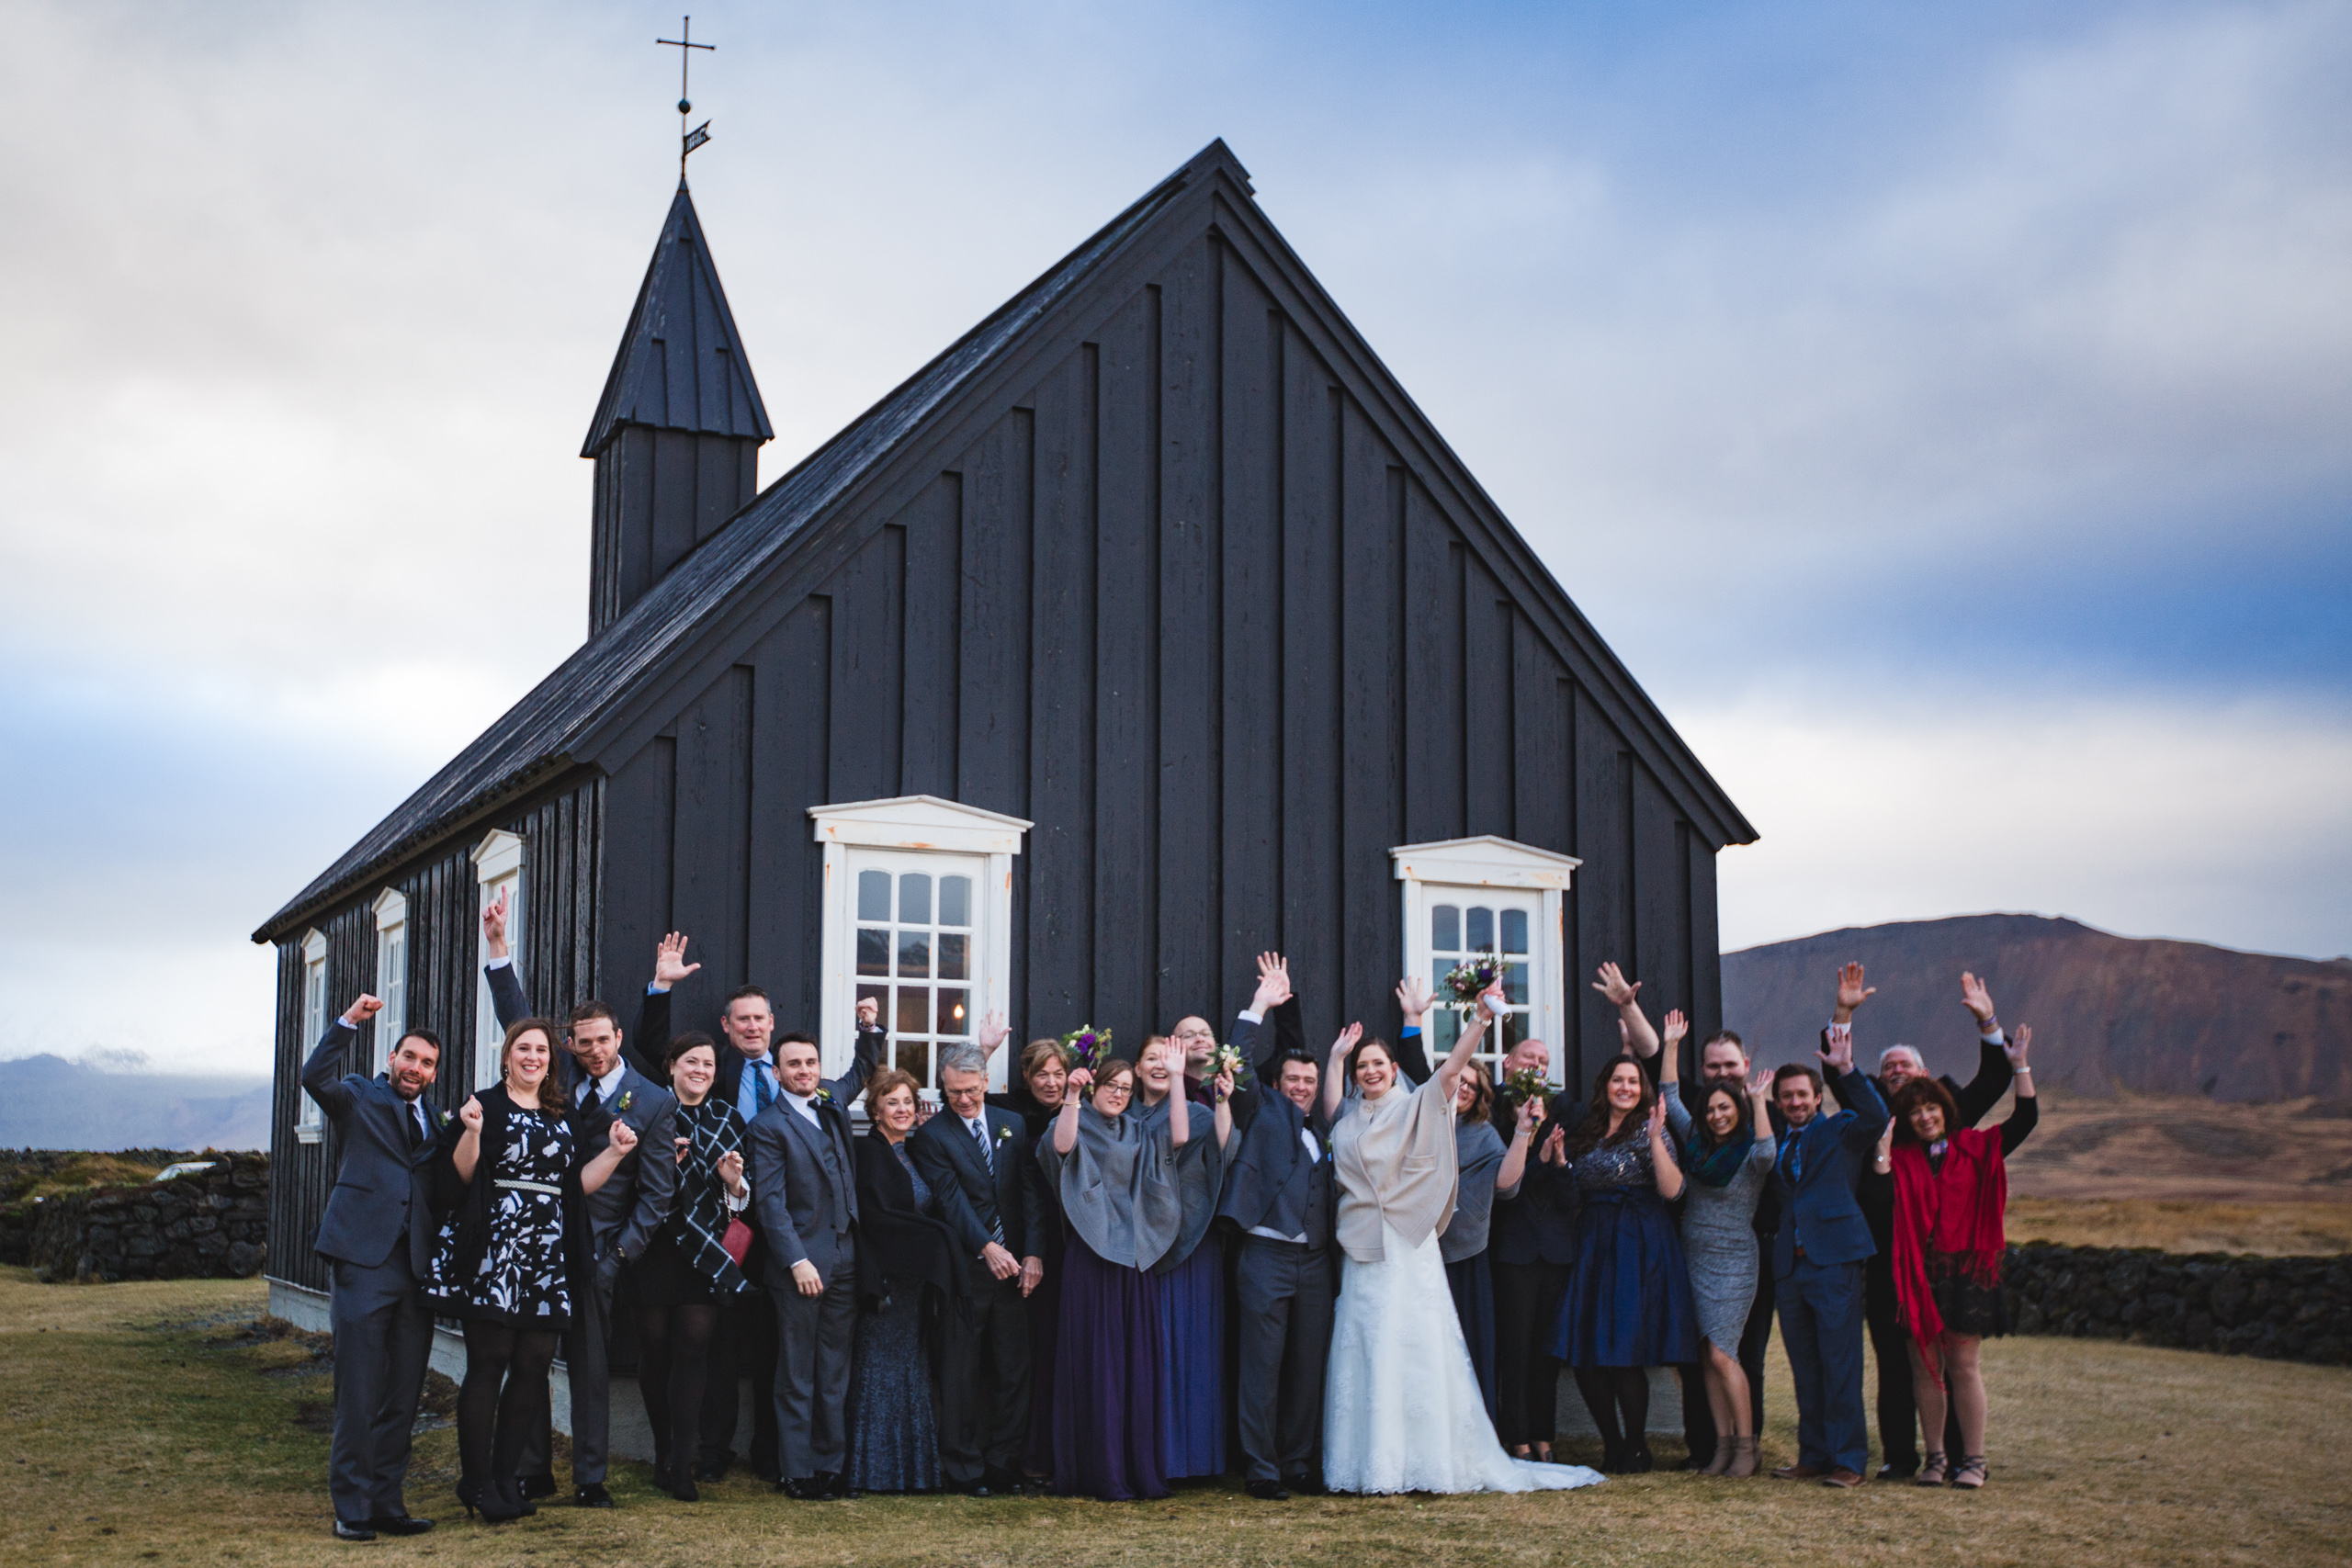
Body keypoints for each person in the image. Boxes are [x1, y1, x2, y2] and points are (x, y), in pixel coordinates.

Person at [1319, 986, 1600, 1495]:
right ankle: (1369, 1461)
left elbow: (1450, 1072)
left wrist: (1479, 1021)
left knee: (1412, 1343)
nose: (1371, 1071)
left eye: (1378, 1062)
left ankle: (1423, 1459)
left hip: (1406, 1245)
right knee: (1365, 1344)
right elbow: (1333, 1113)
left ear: (1392, 1068)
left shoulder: (1412, 1106)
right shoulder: (1346, 1120)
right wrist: (1336, 1057)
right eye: (1363, 1065)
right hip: (1361, 1249)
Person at [424, 1017, 638, 1523]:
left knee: (533, 1368)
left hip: (547, 1253)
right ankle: (474, 1483)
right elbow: (459, 1177)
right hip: (494, 1249)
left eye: (541, 1050)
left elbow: (573, 1187)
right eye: (524, 1048)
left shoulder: (560, 1115)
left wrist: (613, 1152)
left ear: (550, 1061)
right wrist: (472, 1132)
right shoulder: (484, 1104)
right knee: (488, 1364)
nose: (533, 1057)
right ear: (507, 1055)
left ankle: (505, 1480)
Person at [1856, 971, 2017, 1479]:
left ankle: (1960, 1459)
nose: (1896, 1071)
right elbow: (1841, 1078)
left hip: (1950, 1264)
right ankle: (1904, 1459)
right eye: (1888, 1068)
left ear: (1925, 1073)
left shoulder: (1950, 1111)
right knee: (1896, 1365)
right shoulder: (1871, 1122)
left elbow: (1996, 1078)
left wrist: (1987, 1020)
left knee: (1953, 1363)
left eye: (1904, 1064)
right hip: (1890, 1265)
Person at [300, 993, 445, 1541]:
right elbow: (315, 1077)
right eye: (410, 1057)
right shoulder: (360, 1096)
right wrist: (345, 1024)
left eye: (427, 1063)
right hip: (362, 1261)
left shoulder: (434, 1118)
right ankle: (352, 1508)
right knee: (359, 1391)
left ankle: (387, 1501)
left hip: (414, 1269)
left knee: (403, 1394)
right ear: (392, 1058)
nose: (417, 1069)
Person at [1879, 1025, 2039, 1489]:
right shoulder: (1901, 1156)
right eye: (1916, 1111)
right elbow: (1879, 1185)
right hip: (1917, 1272)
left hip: (1964, 1270)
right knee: (1923, 1366)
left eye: (1931, 1107)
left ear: (1945, 1110)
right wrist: (1883, 1154)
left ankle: (1974, 1460)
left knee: (1964, 1366)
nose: (1925, 1116)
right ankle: (1936, 1459)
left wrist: (2019, 1066)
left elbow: (2025, 1118)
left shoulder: (1978, 1147)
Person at [746, 1003, 886, 1500]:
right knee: (797, 1372)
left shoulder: (830, 1102)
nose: (804, 1072)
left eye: (810, 1063)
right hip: (800, 1267)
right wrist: (797, 1260)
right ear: (778, 1072)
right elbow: (770, 1203)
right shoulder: (768, 1125)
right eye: (794, 1065)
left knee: (834, 1371)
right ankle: (797, 1471)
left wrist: (868, 1027)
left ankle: (831, 1467)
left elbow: (864, 1069)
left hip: (846, 1260)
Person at [1213, 953, 1339, 1501]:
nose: (1303, 1087)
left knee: (1306, 1367)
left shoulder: (1326, 1128)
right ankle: (1261, 1469)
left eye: (1310, 1080)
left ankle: (1297, 1462)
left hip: (1314, 1261)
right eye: (1294, 1078)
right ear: (1277, 1081)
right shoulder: (1261, 1108)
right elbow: (1233, 1063)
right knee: (1261, 1369)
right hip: (1263, 1256)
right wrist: (1261, 1006)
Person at [1768, 963, 1891, 1488]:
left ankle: (1848, 1461)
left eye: (1803, 1095)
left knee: (1841, 1365)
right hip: (1790, 1269)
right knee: (1805, 1368)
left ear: (1817, 1099)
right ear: (1778, 1103)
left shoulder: (1840, 1131)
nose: (1795, 1102)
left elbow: (1876, 1114)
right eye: (1787, 1096)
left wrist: (1844, 1058)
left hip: (1834, 1262)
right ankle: (1813, 1455)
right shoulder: (1776, 1141)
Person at [1040, 1055, 1185, 1500]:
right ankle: (1099, 1470)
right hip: (1093, 1256)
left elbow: (1179, 1135)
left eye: (1126, 1087)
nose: (1119, 1093)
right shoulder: (1075, 1122)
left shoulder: (1137, 1130)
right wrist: (1072, 1096)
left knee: (1133, 1365)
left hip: (1134, 1259)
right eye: (1112, 1085)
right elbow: (1060, 1148)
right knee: (1098, 1364)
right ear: (1096, 1085)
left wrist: (1178, 1077)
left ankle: (1136, 1468)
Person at [1550, 1041, 1698, 1473]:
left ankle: (1636, 1446)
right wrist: (1560, 1162)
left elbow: (1673, 1190)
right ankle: (1611, 1443)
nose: (1626, 1087)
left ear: (1643, 1089)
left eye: (1633, 1081)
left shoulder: (1652, 1128)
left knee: (1625, 1350)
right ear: (1605, 1086)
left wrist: (1655, 1138)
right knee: (1585, 1352)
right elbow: (1574, 1193)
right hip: (1593, 1241)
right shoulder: (1588, 1130)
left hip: (1638, 1242)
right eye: (1618, 1080)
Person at [910, 1042, 1047, 1496]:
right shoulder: (933, 1137)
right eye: (953, 1093)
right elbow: (950, 1200)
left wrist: (1032, 1252)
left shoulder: (1013, 1124)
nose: (963, 1100)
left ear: (986, 1082)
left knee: (1014, 1370)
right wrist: (987, 1246)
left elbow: (1029, 1192)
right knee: (961, 1372)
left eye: (970, 1090)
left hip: (1016, 1270)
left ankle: (1002, 1463)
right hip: (967, 1271)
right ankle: (963, 1468)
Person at [630, 1031, 753, 1502]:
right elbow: (629, 1180)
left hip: (705, 1252)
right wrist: (665, 1164)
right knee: (656, 1354)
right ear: (672, 1066)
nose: (700, 1070)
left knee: (693, 1353)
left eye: (707, 1064)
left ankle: (683, 1462)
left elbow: (741, 1202)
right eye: (691, 1062)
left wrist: (733, 1182)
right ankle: (663, 1452)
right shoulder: (651, 1110)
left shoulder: (729, 1118)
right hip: (657, 1246)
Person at [845, 1067, 966, 1495]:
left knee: (910, 1371)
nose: (901, 1109)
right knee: (880, 1370)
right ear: (875, 1108)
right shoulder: (869, 1152)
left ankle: (911, 1472)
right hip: (888, 1280)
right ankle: (871, 1472)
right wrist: (939, 1238)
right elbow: (875, 1219)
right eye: (892, 1101)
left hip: (916, 1283)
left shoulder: (911, 1152)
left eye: (908, 1103)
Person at [1668, 1016, 1777, 1478]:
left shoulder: (1752, 1151)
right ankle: (1722, 1448)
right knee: (1706, 1354)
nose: (1716, 1114)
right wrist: (1671, 1045)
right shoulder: (1695, 1142)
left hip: (1735, 1261)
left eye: (1724, 1108)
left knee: (1722, 1354)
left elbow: (1771, 1152)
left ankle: (1747, 1449)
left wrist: (1758, 1101)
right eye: (1710, 1108)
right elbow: (1671, 1098)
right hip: (1694, 1257)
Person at [1134, 1032, 1232, 1483]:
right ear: (1136, 1068)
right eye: (1151, 1058)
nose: (1160, 1065)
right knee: (1150, 1349)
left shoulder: (1196, 1112)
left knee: (1190, 1348)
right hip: (1142, 1248)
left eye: (1168, 1058)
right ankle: (1152, 1453)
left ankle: (1191, 1456)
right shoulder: (1122, 1115)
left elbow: (1213, 1147)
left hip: (1193, 1243)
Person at [1443, 1065, 1539, 1425]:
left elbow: (1506, 1184)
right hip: (1420, 1252)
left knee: (1467, 1342)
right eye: (1458, 1080)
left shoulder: (1484, 1135)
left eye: (1472, 1084)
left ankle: (1471, 1427)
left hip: (1466, 1252)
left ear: (1482, 1093)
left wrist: (1523, 1132)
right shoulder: (1420, 1126)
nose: (1464, 1088)